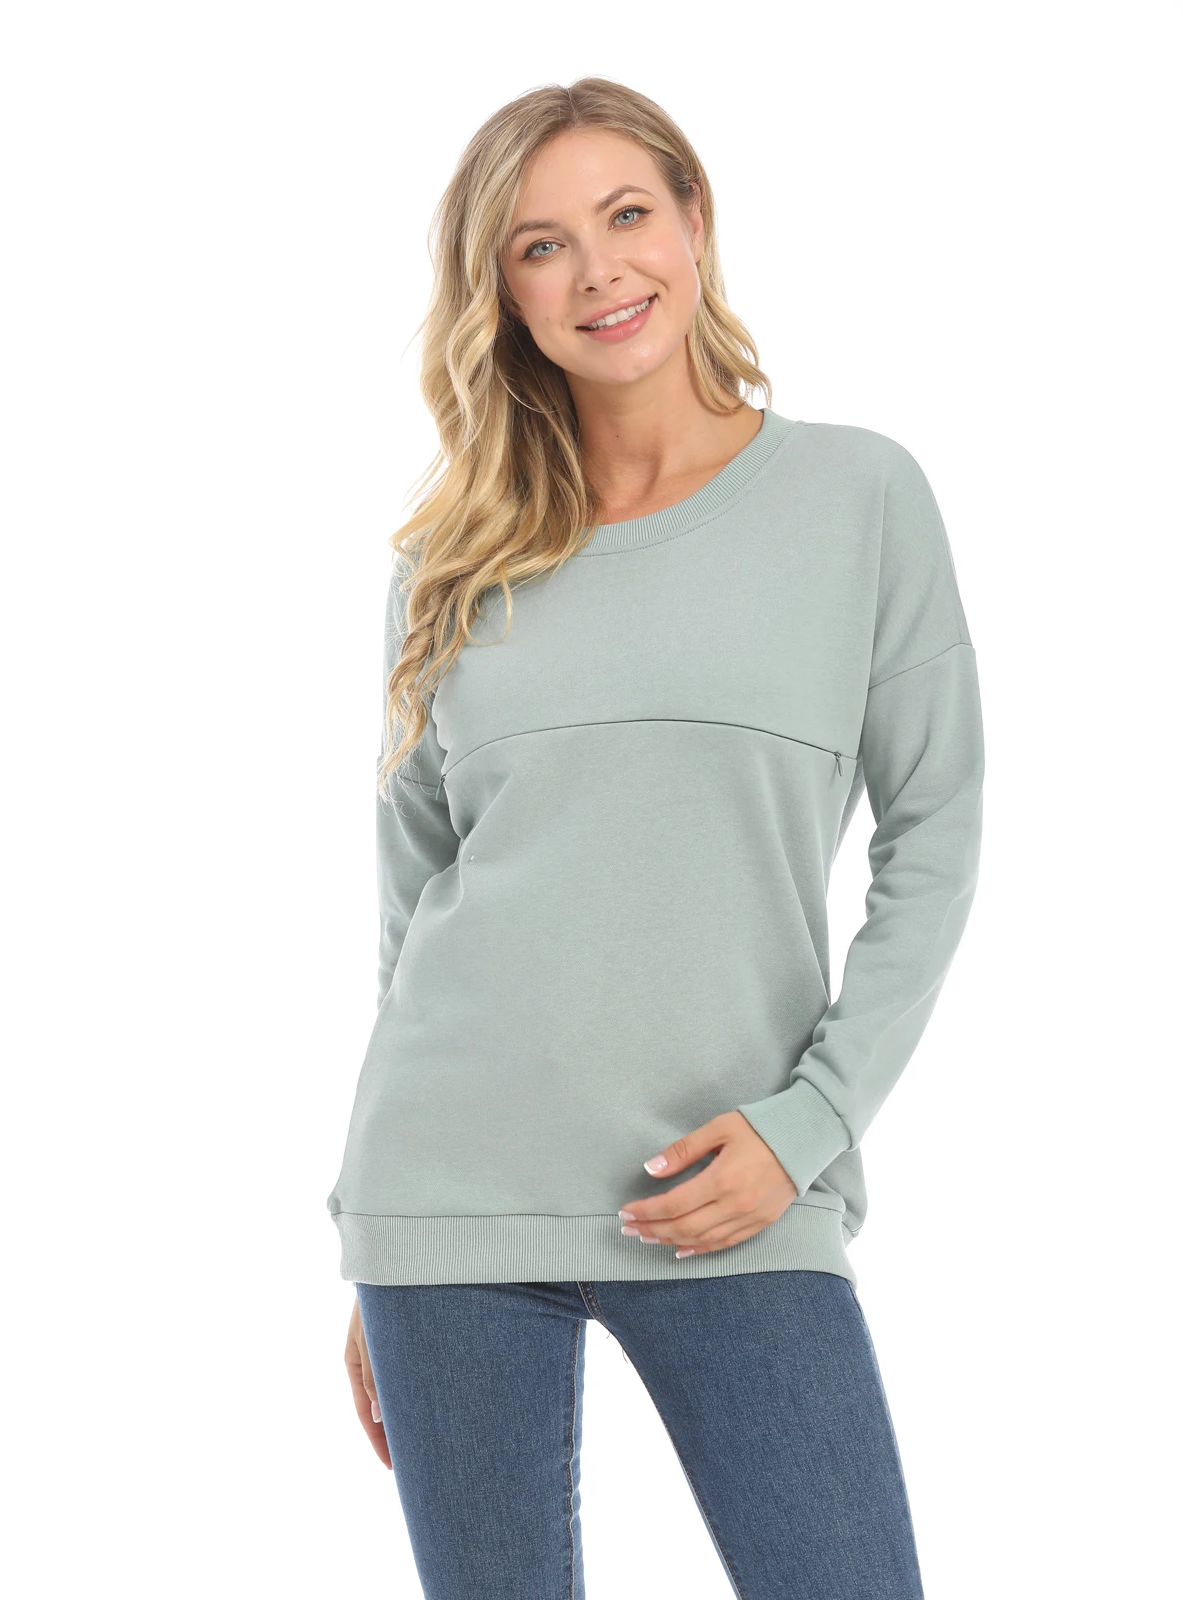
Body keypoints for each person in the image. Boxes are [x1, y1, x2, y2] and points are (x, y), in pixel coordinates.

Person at [325, 76, 985, 1599]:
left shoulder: (858, 496)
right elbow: (414, 900)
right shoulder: (450, 558)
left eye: (628, 214)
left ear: (695, 220)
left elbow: (937, 831)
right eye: (541, 245)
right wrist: (384, 1239)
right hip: (446, 1197)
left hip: (730, 1184)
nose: (600, 270)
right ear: (501, 291)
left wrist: (811, 1126)